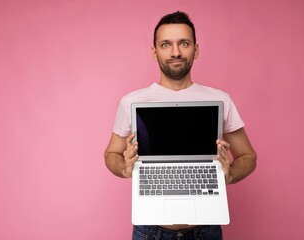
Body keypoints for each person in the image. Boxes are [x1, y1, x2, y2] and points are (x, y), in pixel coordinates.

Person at [104, 11, 257, 240]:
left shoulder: (220, 99)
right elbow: (111, 154)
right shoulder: (131, 102)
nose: (175, 52)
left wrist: (229, 173)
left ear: (196, 49)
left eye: (183, 43)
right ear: (155, 52)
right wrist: (124, 168)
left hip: (205, 232)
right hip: (150, 232)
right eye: (166, 44)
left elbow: (248, 156)